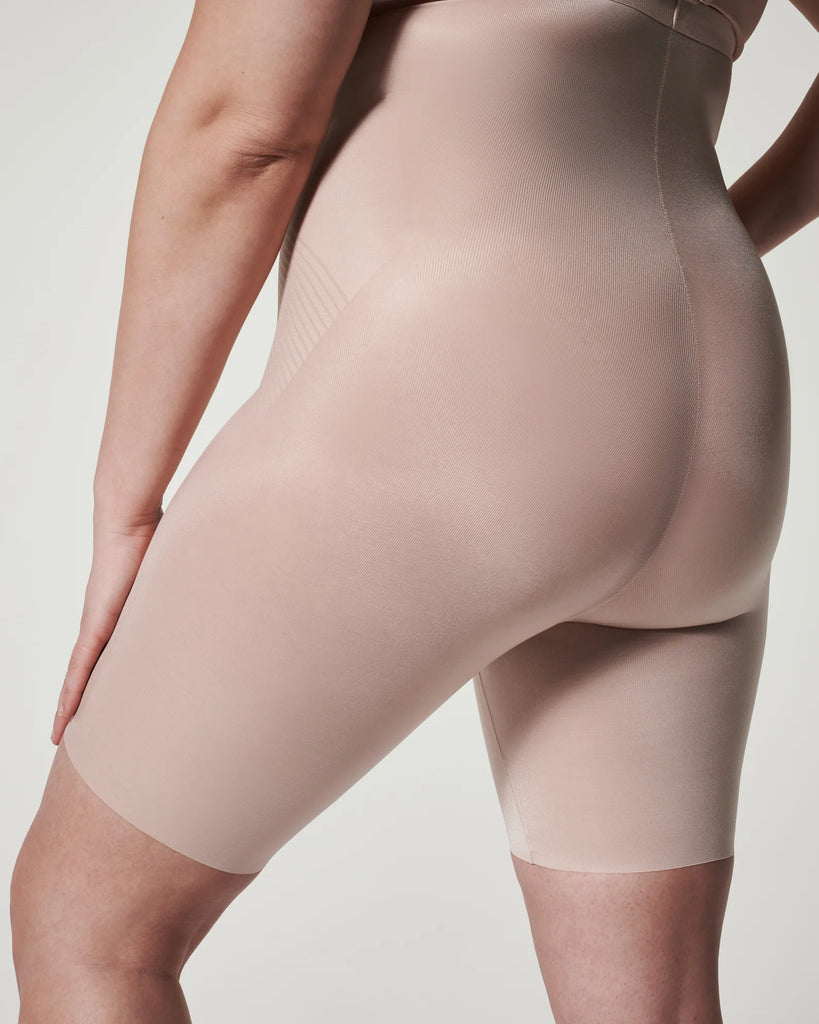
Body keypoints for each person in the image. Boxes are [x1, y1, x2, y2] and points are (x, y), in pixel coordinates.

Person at [9, 0, 818, 1018]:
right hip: (722, 396)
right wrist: (715, 232)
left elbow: (242, 130)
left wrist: (126, 500)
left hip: (467, 366)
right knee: (647, 1002)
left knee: (88, 930)